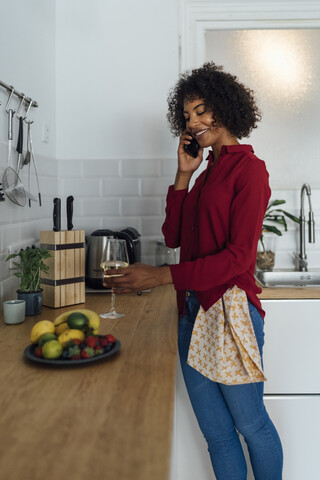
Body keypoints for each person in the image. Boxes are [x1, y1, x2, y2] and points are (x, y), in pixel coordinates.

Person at [103, 62, 283, 479]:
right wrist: (184, 174)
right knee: (218, 436)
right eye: (187, 116)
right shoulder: (205, 174)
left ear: (225, 109)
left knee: (251, 425)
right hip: (191, 313)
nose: (195, 122)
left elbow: (239, 260)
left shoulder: (250, 171)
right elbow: (172, 237)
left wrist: (162, 276)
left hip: (230, 316)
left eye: (202, 110)